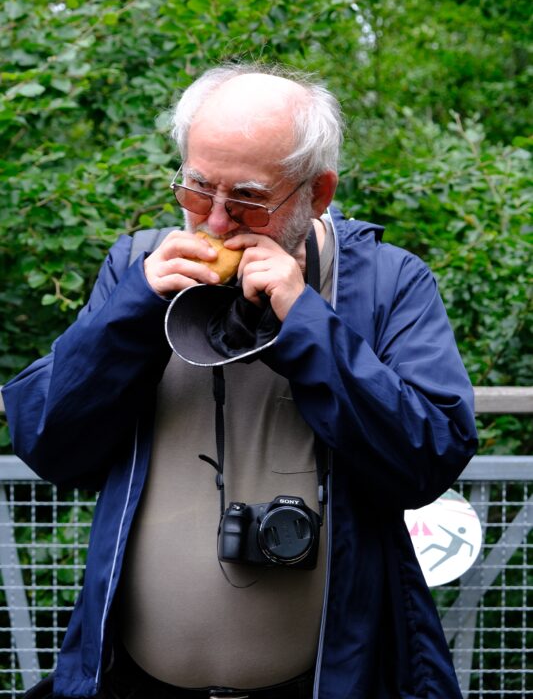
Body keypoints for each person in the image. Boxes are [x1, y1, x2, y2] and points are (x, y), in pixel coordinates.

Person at [4, 64, 478, 699]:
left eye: (249, 198)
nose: (217, 222)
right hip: (134, 682)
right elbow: (48, 442)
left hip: (327, 681)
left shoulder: (389, 283)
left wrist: (306, 321)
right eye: (197, 189)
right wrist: (136, 309)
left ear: (319, 193)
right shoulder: (136, 267)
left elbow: (429, 457)